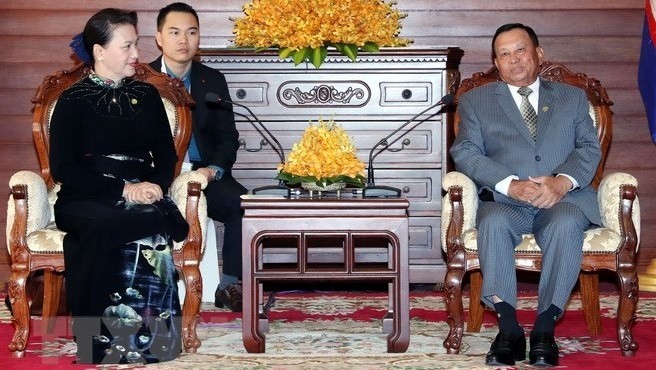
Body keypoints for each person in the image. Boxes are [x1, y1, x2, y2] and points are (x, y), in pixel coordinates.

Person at [449, 23, 601, 367]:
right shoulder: (476, 101)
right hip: (506, 201)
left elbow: (588, 149)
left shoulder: (572, 98)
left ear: (538, 54)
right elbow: (467, 152)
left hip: (561, 200)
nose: (513, 60)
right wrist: (510, 184)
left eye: (520, 50)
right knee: (492, 223)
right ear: (496, 62)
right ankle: (509, 328)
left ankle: (545, 327)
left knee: (565, 225)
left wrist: (561, 182)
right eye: (504, 54)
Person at [50, 8, 187, 364]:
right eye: (127, 46)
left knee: (144, 217)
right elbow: (65, 168)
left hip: (141, 190)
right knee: (112, 221)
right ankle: (98, 341)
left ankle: (152, 340)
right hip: (86, 196)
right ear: (100, 51)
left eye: (135, 45)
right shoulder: (71, 100)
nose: (136, 54)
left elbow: (167, 157)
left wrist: (153, 186)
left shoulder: (149, 96)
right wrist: (123, 190)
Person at [149, 2, 247, 312]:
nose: (184, 40)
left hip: (202, 174)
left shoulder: (213, 80)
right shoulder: (142, 80)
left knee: (241, 204)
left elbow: (227, 137)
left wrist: (211, 171)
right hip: (159, 177)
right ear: (159, 38)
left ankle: (230, 285)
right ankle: (152, 288)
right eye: (174, 32)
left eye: (191, 33)